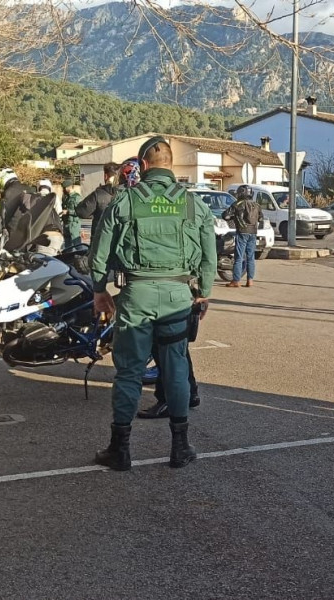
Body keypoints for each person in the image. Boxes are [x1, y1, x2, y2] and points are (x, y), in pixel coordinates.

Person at [91, 136, 216, 471]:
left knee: (129, 370)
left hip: (137, 294)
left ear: (143, 165)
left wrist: (99, 289)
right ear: (170, 165)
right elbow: (208, 253)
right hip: (178, 294)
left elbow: (100, 251)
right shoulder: (193, 204)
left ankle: (120, 450)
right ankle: (180, 447)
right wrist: (203, 291)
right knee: (175, 367)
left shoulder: (125, 201)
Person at [222, 184, 263, 288]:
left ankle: (236, 280)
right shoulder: (256, 205)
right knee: (250, 257)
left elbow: (225, 215)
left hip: (242, 232)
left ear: (240, 193)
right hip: (253, 232)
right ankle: (250, 280)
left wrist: (234, 218)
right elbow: (261, 218)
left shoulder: (238, 204)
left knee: (239, 257)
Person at [76, 162, 118, 241]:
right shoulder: (127, 193)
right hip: (120, 242)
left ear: (105, 176)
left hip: (99, 240)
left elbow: (81, 211)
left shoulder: (99, 194)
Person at [61, 179, 83, 248]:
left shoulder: (77, 197)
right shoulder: (65, 197)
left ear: (69, 187)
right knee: (67, 247)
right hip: (66, 224)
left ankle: (81, 257)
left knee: (77, 245)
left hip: (74, 225)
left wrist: (68, 212)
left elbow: (80, 211)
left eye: (64, 188)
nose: (63, 190)